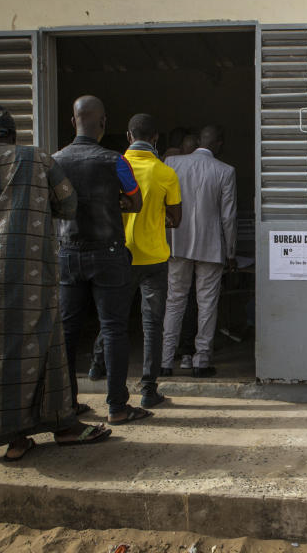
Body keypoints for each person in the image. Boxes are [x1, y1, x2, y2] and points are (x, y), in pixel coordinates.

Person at [0, 104, 110, 461]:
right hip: (32, 270)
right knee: (44, 346)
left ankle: (14, 438)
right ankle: (64, 427)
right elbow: (68, 205)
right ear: (12, 132)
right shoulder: (38, 160)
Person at [53, 96, 153, 425]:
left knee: (67, 332)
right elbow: (135, 202)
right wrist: (114, 204)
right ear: (103, 123)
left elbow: (53, 206)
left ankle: (66, 404)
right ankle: (117, 407)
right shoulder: (114, 161)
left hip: (68, 252)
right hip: (108, 252)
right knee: (113, 329)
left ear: (73, 122)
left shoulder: (54, 161)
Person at [161, 124, 237, 377]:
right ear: (219, 144)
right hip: (211, 245)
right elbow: (228, 217)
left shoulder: (172, 163)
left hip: (177, 243)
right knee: (207, 303)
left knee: (175, 300)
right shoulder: (225, 171)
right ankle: (202, 360)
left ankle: (165, 359)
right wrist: (231, 252)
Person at [121, 114, 182, 407]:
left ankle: (101, 371)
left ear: (129, 136)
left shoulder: (117, 166)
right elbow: (176, 219)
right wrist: (158, 216)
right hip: (154, 257)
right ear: (156, 138)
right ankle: (148, 391)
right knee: (152, 324)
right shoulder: (165, 172)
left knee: (114, 321)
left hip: (120, 255)